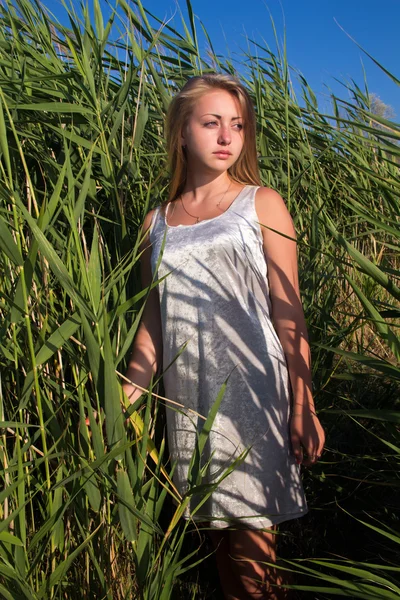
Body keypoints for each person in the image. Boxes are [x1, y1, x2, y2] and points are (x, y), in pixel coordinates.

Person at [122, 73, 325, 600]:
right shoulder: (156, 224)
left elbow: (289, 314)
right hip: (190, 398)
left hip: (252, 395)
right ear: (181, 132)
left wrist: (302, 403)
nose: (226, 136)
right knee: (221, 556)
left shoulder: (260, 204)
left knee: (255, 560)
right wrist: (125, 396)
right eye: (211, 123)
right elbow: (153, 323)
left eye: (237, 125)